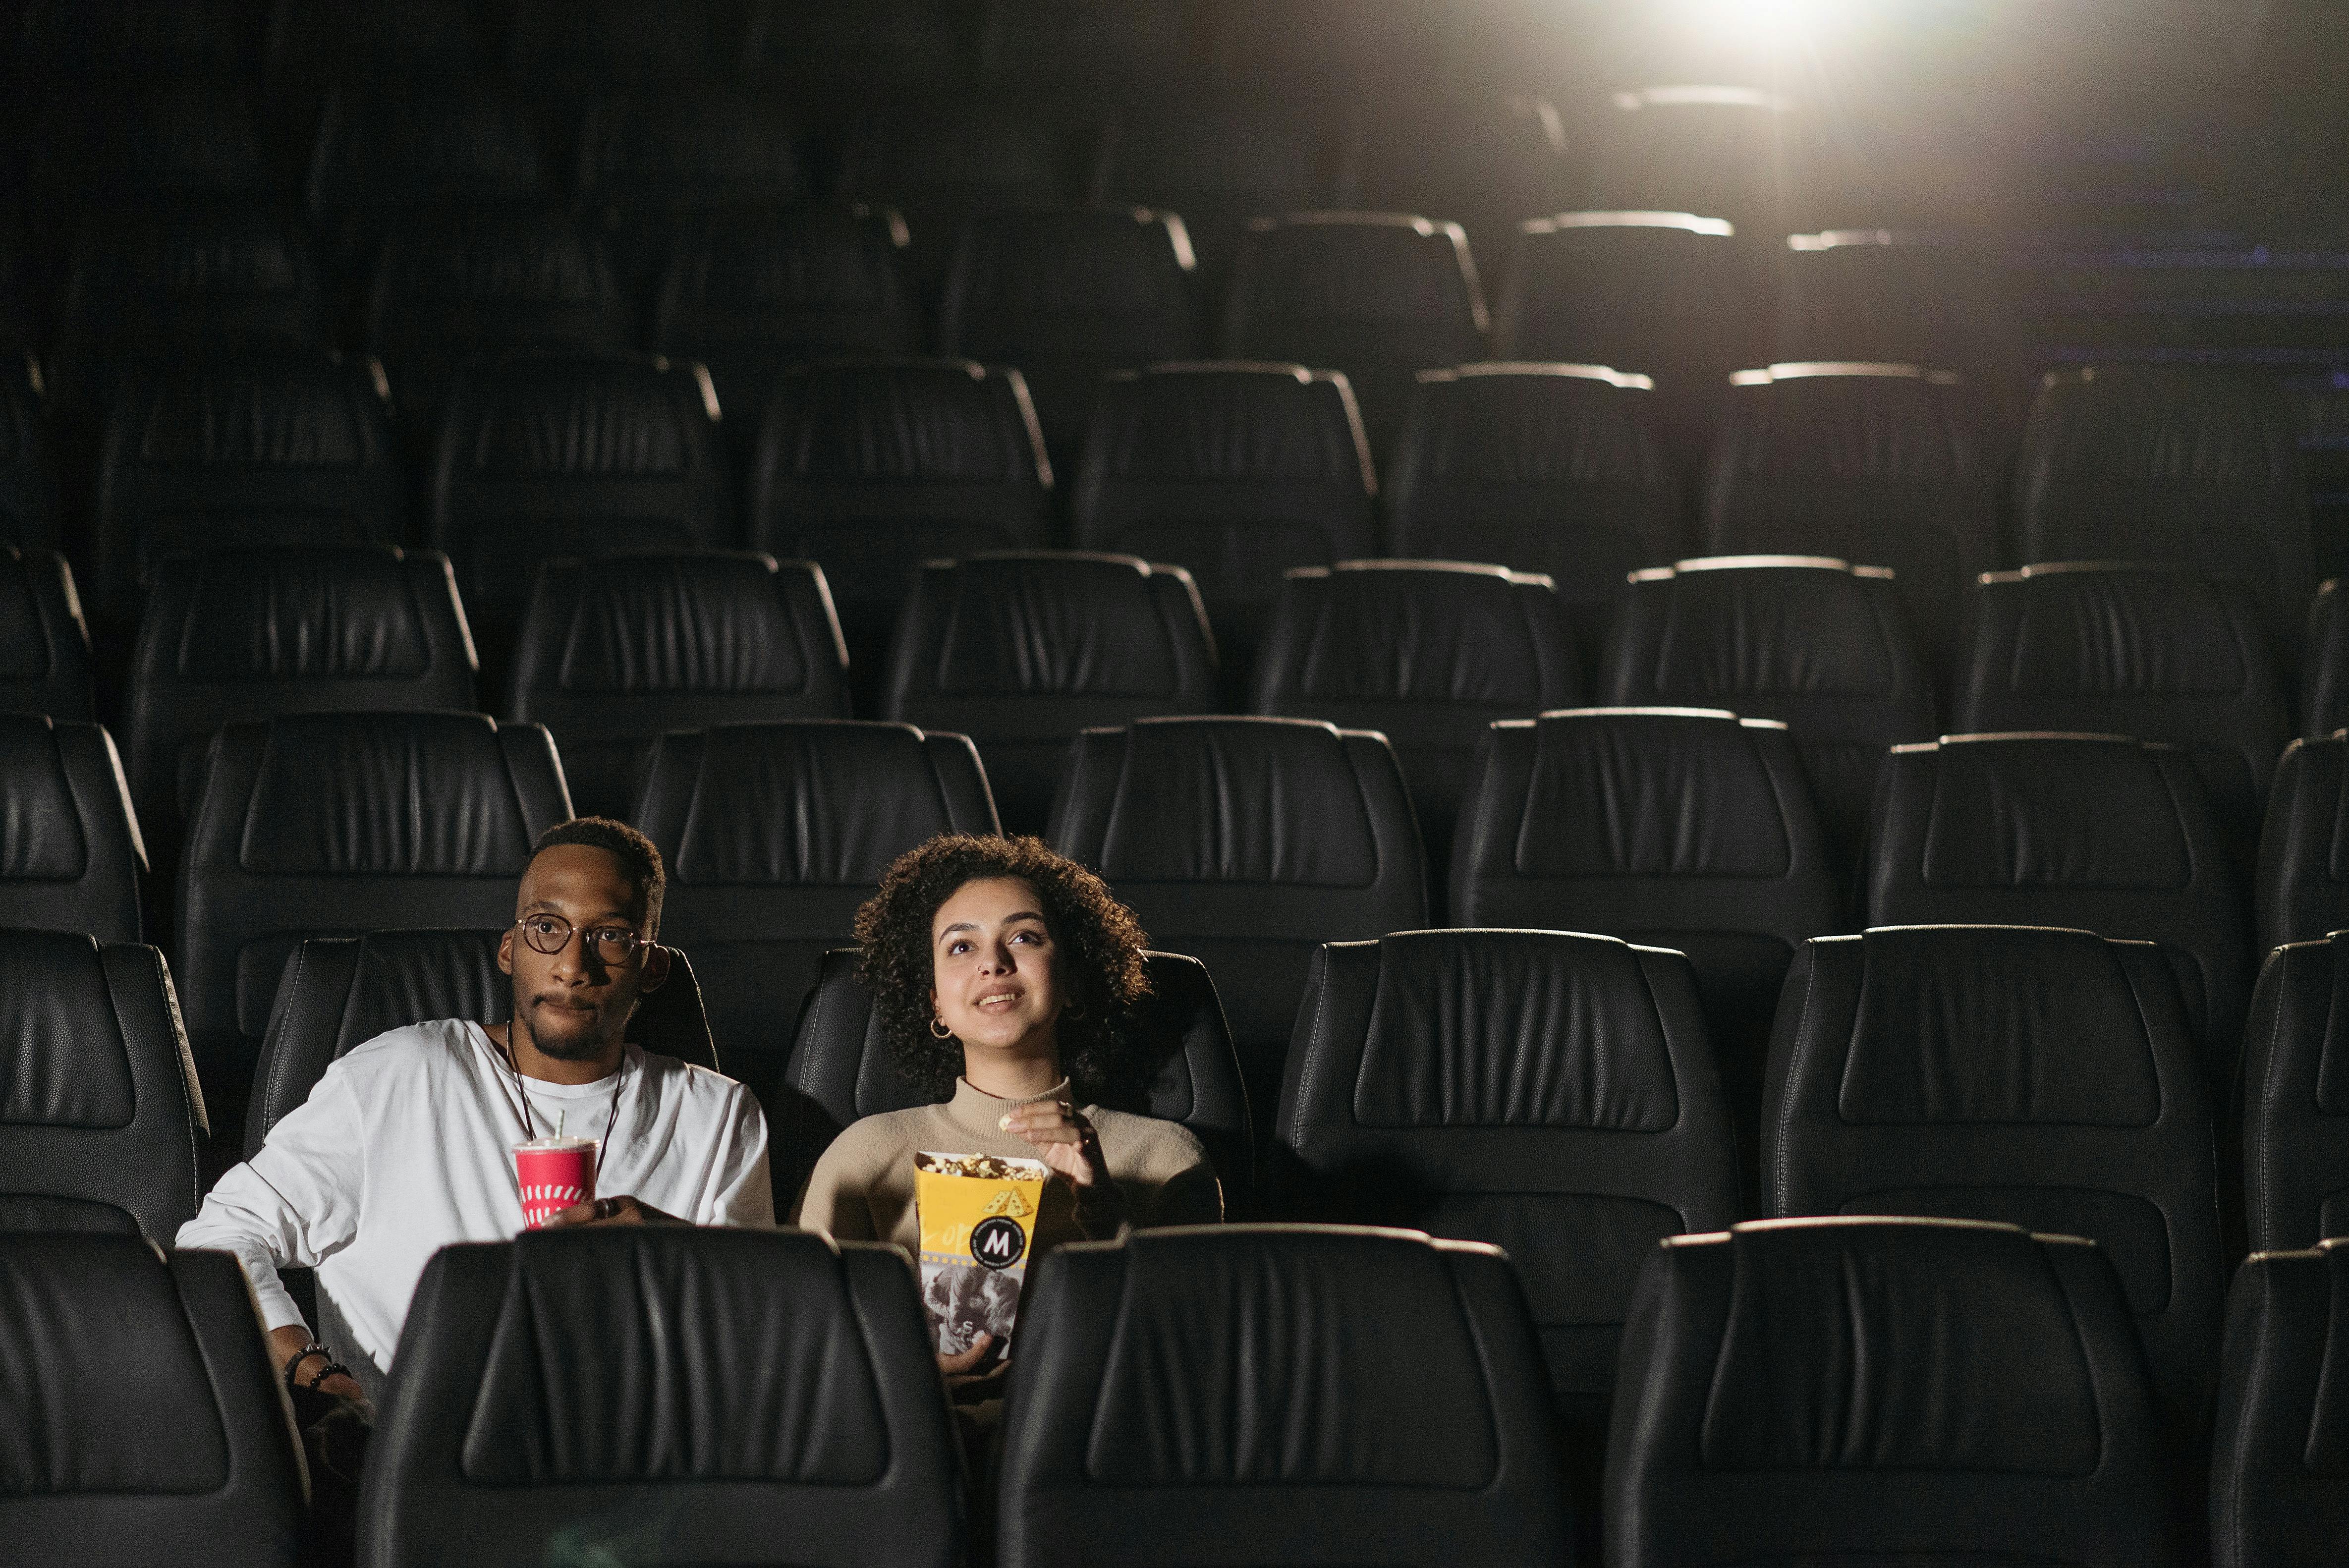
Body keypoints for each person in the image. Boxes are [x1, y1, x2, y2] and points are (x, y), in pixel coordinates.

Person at [178, 817, 773, 1412]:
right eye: (547, 928)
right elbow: (218, 1239)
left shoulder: (717, 1116)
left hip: (619, 1460)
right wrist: (315, 1377)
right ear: (510, 950)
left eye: (612, 936)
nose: (572, 966)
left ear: (653, 967)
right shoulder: (400, 1074)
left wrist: (678, 1253)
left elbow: (765, 1340)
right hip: (407, 1454)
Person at [794, 833, 1223, 1384]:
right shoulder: (862, 1157)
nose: (993, 963)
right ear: (935, 1003)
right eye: (961, 946)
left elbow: (1192, 1359)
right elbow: (806, 1352)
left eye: (1024, 936)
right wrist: (909, 1374)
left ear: (1070, 979)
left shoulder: (1167, 1159)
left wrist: (1105, 1210)